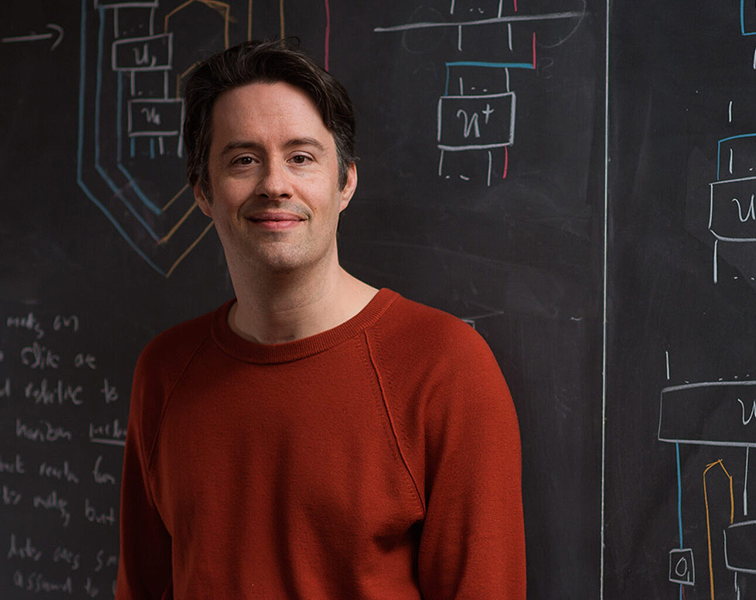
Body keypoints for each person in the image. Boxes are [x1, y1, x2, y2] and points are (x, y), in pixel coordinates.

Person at [115, 38, 525, 599]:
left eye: (302, 157)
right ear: (203, 193)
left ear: (346, 182)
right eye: (243, 159)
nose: (274, 183)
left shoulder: (446, 370)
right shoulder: (163, 373)